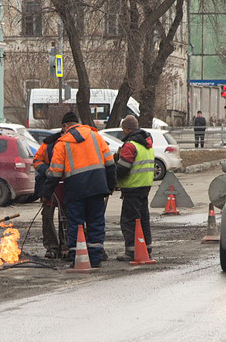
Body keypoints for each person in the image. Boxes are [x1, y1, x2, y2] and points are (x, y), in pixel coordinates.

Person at [43, 111, 116, 267]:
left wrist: (46, 194)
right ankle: (95, 259)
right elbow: (110, 164)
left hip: (75, 190)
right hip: (97, 187)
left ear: (65, 126)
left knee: (76, 225)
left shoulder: (62, 144)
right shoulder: (96, 137)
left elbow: (55, 173)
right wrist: (110, 186)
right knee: (96, 223)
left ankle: (79, 259)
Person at [114, 115, 155, 261]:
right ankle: (146, 248)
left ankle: (131, 251)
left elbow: (124, 168)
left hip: (132, 187)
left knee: (129, 220)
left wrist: (113, 175)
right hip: (145, 186)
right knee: (143, 219)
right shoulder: (146, 143)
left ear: (127, 128)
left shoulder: (130, 145)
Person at [33, 130, 66, 259]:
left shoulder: (71, 144)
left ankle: (65, 246)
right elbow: (37, 161)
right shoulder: (48, 145)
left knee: (65, 217)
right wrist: (47, 171)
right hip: (49, 185)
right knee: (47, 217)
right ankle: (51, 247)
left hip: (66, 185)